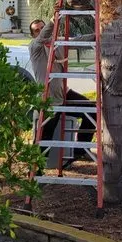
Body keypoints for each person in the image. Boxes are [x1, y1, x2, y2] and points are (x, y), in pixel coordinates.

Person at [28, 18, 95, 164]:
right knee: (44, 137)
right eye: (37, 30)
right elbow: (43, 36)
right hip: (48, 99)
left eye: (42, 28)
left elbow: (76, 41)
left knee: (92, 111)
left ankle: (79, 151)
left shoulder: (56, 45)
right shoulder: (35, 47)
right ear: (34, 35)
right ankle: (36, 171)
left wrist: (96, 35)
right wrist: (53, 21)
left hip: (64, 93)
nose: (41, 32)